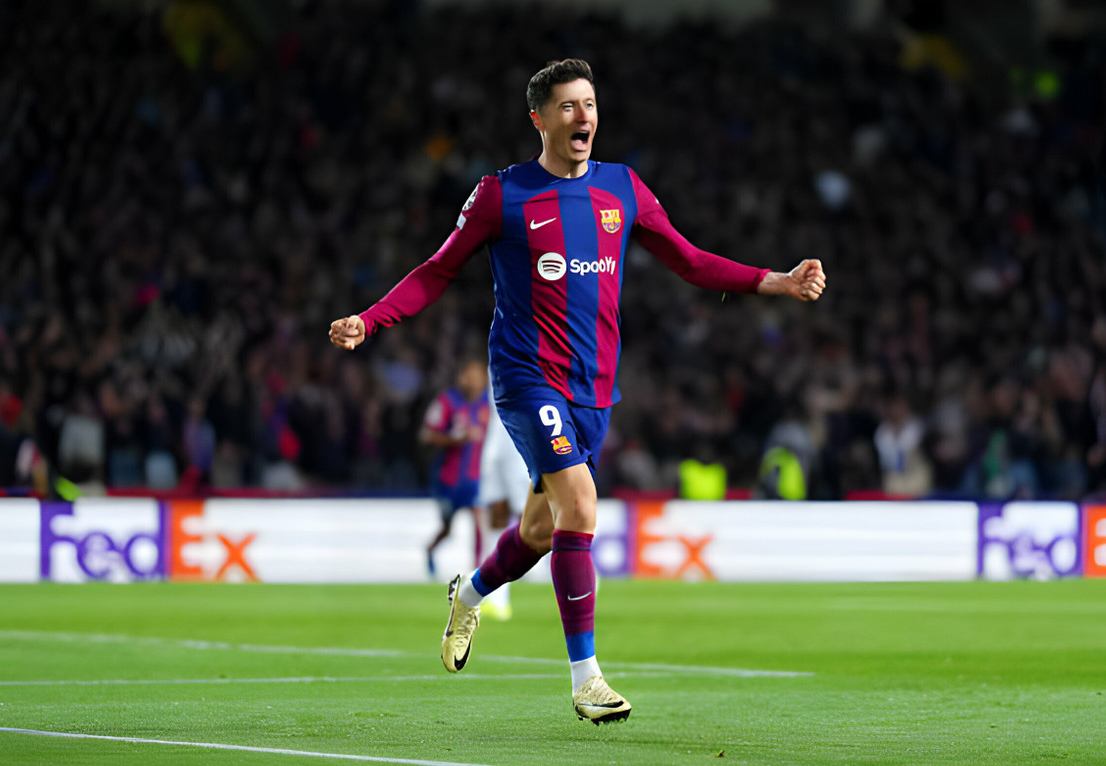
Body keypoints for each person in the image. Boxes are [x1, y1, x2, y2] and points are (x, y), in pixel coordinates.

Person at [329, 58, 826, 724]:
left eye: (589, 104)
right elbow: (437, 270)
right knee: (582, 504)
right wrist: (371, 320)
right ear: (538, 119)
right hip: (526, 377)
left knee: (540, 529)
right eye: (568, 106)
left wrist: (777, 281)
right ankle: (586, 679)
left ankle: (469, 594)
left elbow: (689, 260)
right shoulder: (502, 195)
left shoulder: (623, 188)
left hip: (594, 389)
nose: (583, 117)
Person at [420, 358, 489, 577]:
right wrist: (455, 440)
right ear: (462, 378)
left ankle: (477, 571)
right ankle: (430, 549)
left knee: (479, 521)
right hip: (448, 479)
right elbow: (426, 435)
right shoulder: (448, 401)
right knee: (448, 528)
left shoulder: (490, 405)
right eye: (469, 376)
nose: (473, 381)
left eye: (477, 377)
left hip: (475, 479)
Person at [474, 372, 531, 621]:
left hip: (521, 433)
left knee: (533, 517)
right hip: (496, 436)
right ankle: (497, 598)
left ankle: (584, 572)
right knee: (496, 516)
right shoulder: (494, 352)